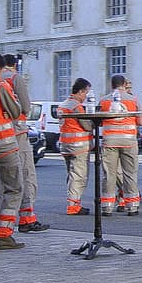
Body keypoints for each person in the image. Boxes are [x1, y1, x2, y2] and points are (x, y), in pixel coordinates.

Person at [2, 54, 47, 233]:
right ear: (14, 64)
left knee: (4, 180)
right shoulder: (14, 78)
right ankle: (27, 218)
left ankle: (2, 222)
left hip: (0, 135)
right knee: (27, 175)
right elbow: (26, 107)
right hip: (18, 133)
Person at [0, 53, 25, 250]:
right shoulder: (0, 86)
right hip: (5, 147)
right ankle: (4, 234)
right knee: (13, 189)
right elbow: (16, 111)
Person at [98, 74, 142, 217]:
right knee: (130, 173)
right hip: (129, 141)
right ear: (124, 84)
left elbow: (99, 121)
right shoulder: (133, 99)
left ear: (111, 85)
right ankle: (132, 206)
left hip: (109, 141)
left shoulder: (104, 100)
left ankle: (107, 207)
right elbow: (141, 122)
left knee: (109, 174)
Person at [56, 78, 94, 215]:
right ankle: (73, 205)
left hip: (65, 145)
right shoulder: (76, 106)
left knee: (71, 175)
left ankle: (73, 202)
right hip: (78, 146)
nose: (86, 97)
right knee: (79, 176)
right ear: (81, 91)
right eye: (86, 93)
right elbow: (87, 125)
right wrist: (93, 123)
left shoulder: (63, 105)